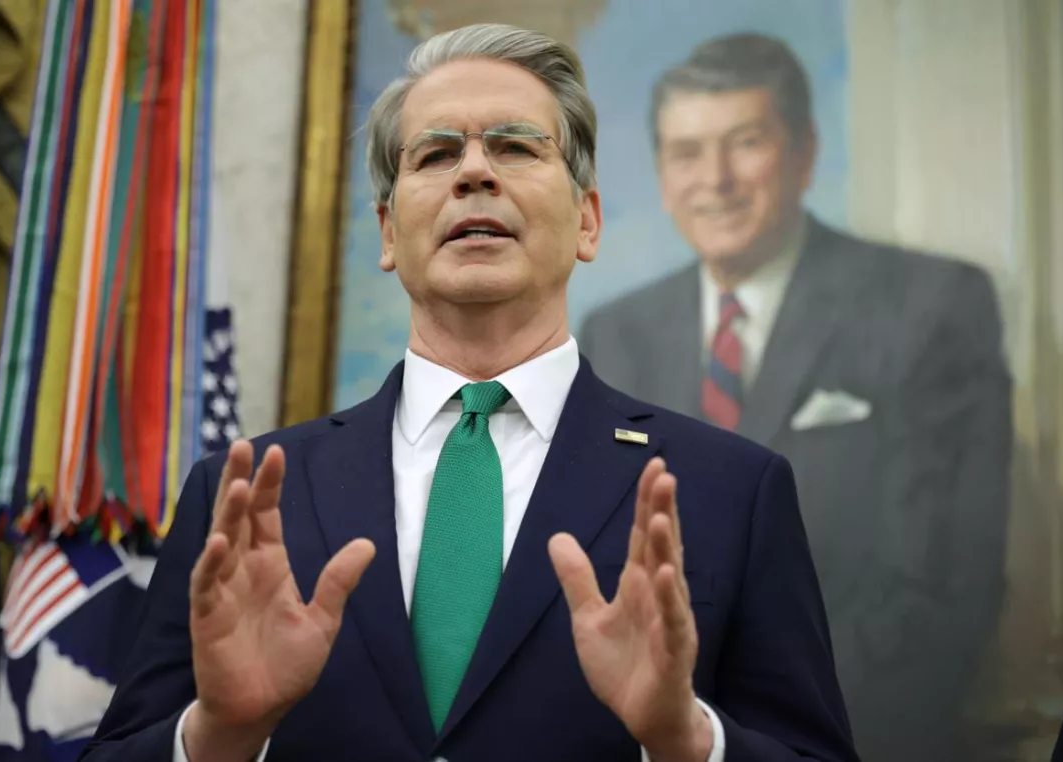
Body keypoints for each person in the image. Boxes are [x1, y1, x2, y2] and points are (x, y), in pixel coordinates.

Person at [82, 24, 858, 762]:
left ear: (587, 222)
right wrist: (219, 733)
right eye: (436, 153)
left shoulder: (730, 490)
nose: (474, 172)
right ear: (389, 233)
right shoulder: (245, 495)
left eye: (516, 146)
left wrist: (685, 737)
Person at [579, 33, 1012, 762]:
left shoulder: (932, 306)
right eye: (686, 152)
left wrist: (752, 742)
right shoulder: (616, 332)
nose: (715, 179)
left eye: (745, 142)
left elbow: (945, 592)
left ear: (805, 153)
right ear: (661, 174)